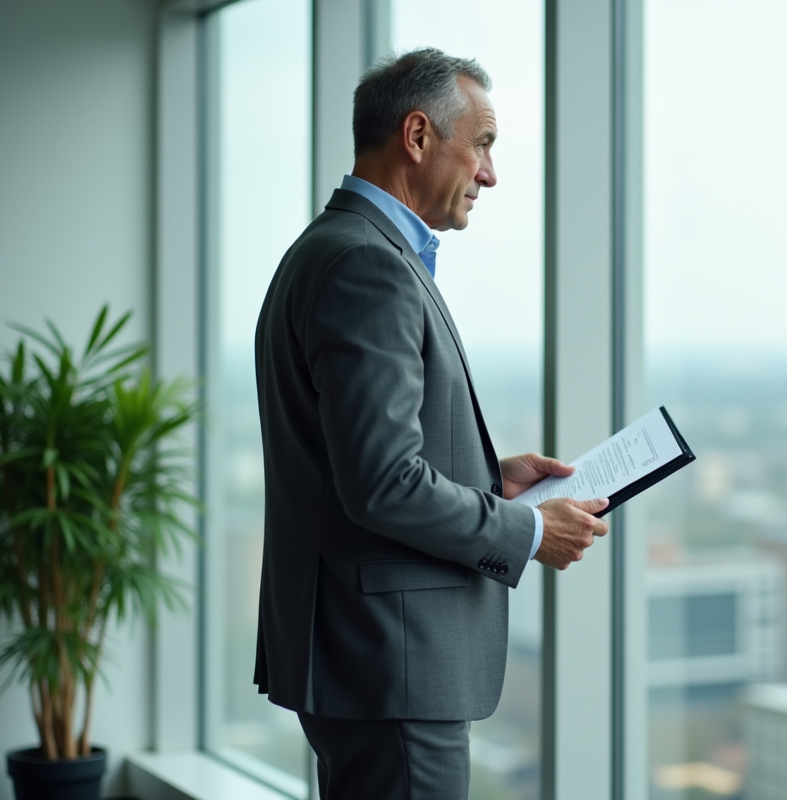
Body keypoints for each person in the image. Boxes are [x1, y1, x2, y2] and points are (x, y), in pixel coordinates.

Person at [253, 48, 610, 799]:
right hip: (395, 666)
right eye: (482, 144)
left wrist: (487, 477)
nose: (490, 174)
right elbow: (382, 484)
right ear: (417, 136)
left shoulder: (329, 249)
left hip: (370, 660)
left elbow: (350, 461)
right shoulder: (368, 266)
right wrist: (530, 531)